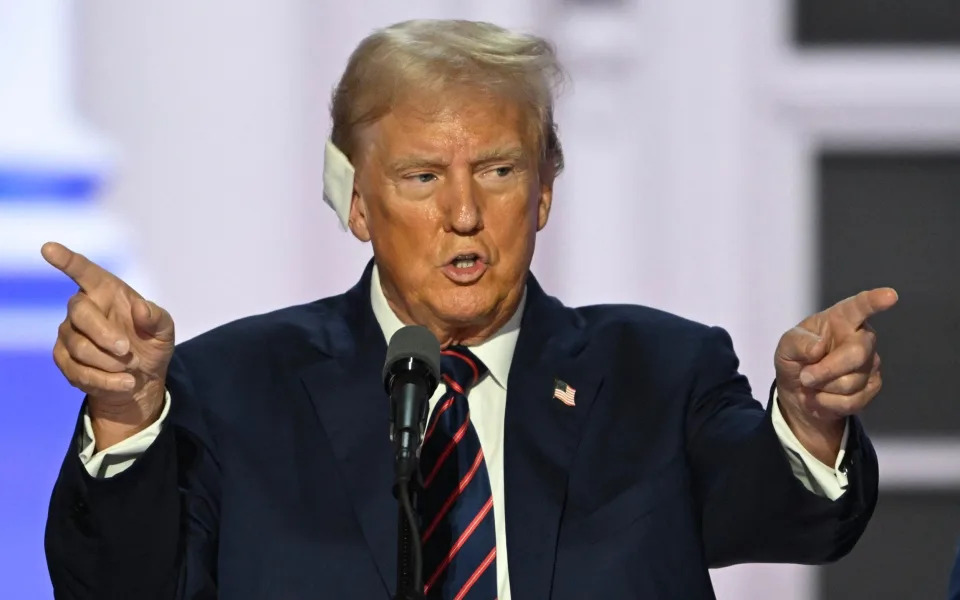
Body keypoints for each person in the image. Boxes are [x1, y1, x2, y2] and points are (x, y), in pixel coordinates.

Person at [43, 19, 894, 600]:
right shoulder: (232, 387)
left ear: (545, 192)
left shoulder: (658, 372)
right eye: (422, 177)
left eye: (497, 170)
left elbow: (794, 520)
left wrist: (811, 421)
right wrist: (125, 415)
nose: (463, 213)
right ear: (359, 205)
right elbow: (118, 585)